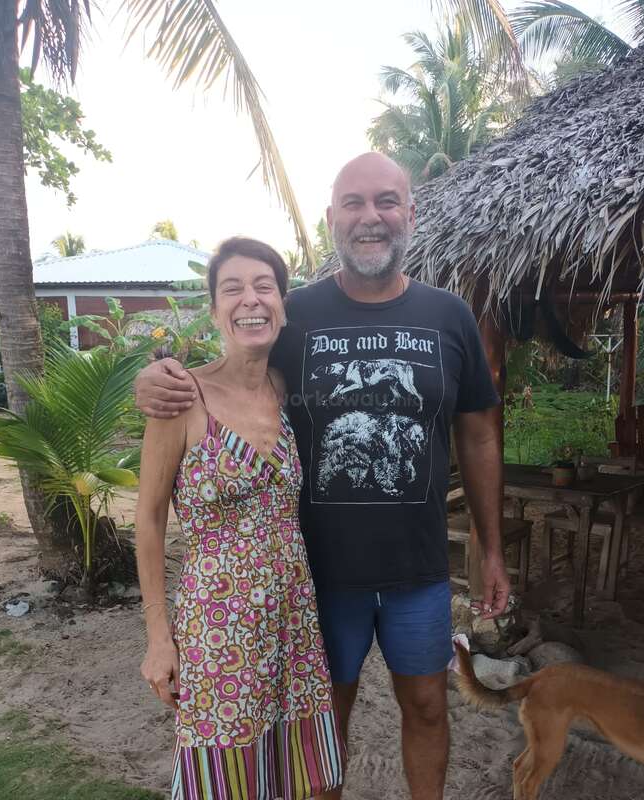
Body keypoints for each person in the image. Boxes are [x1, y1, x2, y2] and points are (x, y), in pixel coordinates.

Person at [136, 153, 509, 800]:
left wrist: (492, 547)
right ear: (332, 217)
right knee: (319, 727)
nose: (372, 217)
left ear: (410, 214)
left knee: (426, 707)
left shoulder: (449, 316)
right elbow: (230, 366)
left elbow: (478, 432)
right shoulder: (294, 313)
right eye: (355, 203)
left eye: (387, 201)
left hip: (419, 572)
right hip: (318, 578)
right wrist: (155, 379)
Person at [136, 236, 344, 800]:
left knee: (304, 776)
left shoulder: (285, 386)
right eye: (232, 288)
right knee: (224, 781)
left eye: (263, 286)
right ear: (213, 310)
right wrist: (159, 638)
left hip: (294, 616)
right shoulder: (183, 397)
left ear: (281, 303)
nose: (249, 300)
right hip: (218, 626)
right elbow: (149, 521)